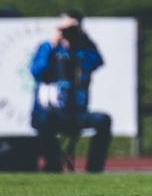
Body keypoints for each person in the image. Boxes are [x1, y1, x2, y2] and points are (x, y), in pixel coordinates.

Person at [29, 10, 112, 173]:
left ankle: (94, 170)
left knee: (103, 120)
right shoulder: (47, 47)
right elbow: (37, 71)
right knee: (44, 119)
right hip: (49, 112)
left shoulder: (84, 50)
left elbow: (97, 62)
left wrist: (82, 39)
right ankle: (53, 166)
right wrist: (54, 45)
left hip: (76, 113)